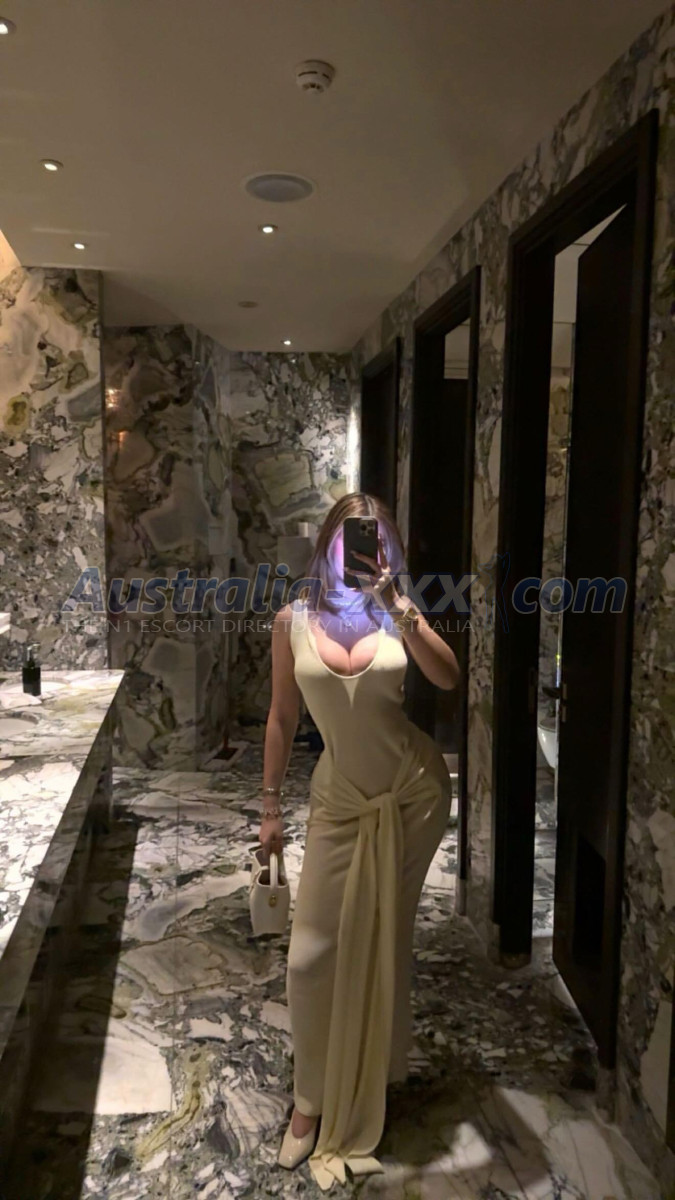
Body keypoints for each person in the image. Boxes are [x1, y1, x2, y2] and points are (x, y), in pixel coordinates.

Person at [260, 491, 459, 1191]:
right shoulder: (292, 621)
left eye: (374, 539)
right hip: (339, 801)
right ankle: (309, 1102)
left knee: (382, 939)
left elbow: (447, 676)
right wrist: (268, 808)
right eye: (349, 538)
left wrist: (398, 604)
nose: (362, 551)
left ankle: (374, 1072)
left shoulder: (397, 613)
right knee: (310, 957)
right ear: (327, 545)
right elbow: (281, 717)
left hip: (413, 795)